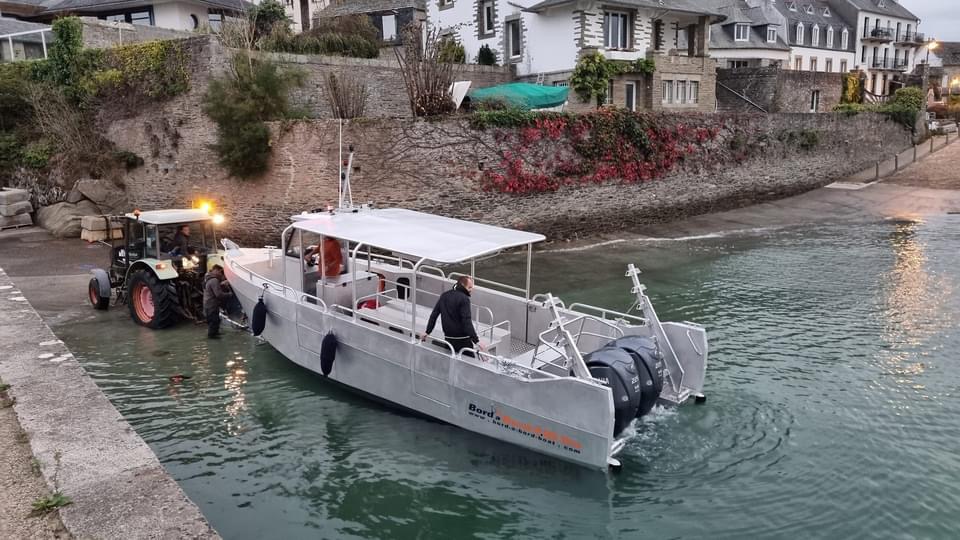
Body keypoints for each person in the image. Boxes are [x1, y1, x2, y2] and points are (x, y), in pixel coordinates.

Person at [421, 276, 485, 354]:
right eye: (469, 287)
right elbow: (466, 321)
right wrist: (476, 341)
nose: (472, 290)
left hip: (448, 339)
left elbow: (434, 315)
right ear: (462, 285)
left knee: (450, 359)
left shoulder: (444, 295)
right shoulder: (464, 299)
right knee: (468, 360)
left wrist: (427, 332)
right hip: (463, 340)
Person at [203, 264, 232, 339]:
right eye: (220, 272)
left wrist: (221, 284)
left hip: (207, 305)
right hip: (212, 305)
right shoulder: (214, 280)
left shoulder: (208, 279)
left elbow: (212, 289)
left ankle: (214, 334)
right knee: (214, 321)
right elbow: (219, 295)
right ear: (216, 270)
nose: (221, 274)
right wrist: (229, 294)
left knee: (214, 321)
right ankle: (213, 338)